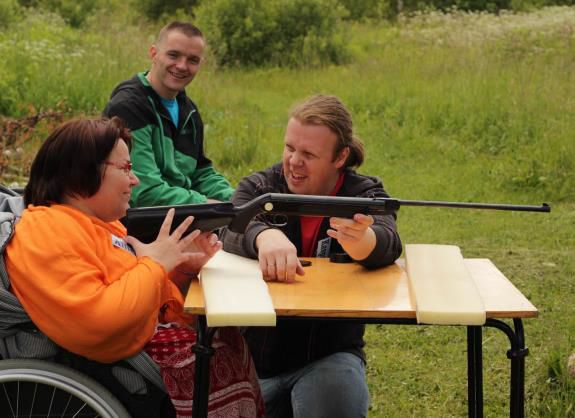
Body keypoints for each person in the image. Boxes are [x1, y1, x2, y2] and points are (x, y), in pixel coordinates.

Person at [5, 117, 264, 418]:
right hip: (109, 367)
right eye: (126, 168)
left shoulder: (100, 224)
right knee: (216, 356)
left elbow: (131, 289)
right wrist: (155, 264)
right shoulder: (46, 230)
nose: (135, 180)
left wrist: (180, 269)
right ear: (82, 172)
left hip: (134, 346)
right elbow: (99, 321)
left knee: (227, 339)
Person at [221, 94, 403, 418]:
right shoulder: (261, 186)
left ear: (340, 156)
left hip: (329, 356)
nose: (294, 161)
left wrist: (363, 242)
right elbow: (228, 227)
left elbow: (389, 241)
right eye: (290, 148)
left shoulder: (364, 193)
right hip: (255, 362)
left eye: (308, 154)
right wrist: (264, 236)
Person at [103, 21, 234, 206]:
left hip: (179, 211)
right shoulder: (127, 107)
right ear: (154, 53)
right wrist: (207, 204)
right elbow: (143, 192)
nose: (182, 66)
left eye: (192, 60)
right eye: (173, 55)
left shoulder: (189, 111)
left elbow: (200, 173)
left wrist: (236, 199)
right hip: (136, 217)